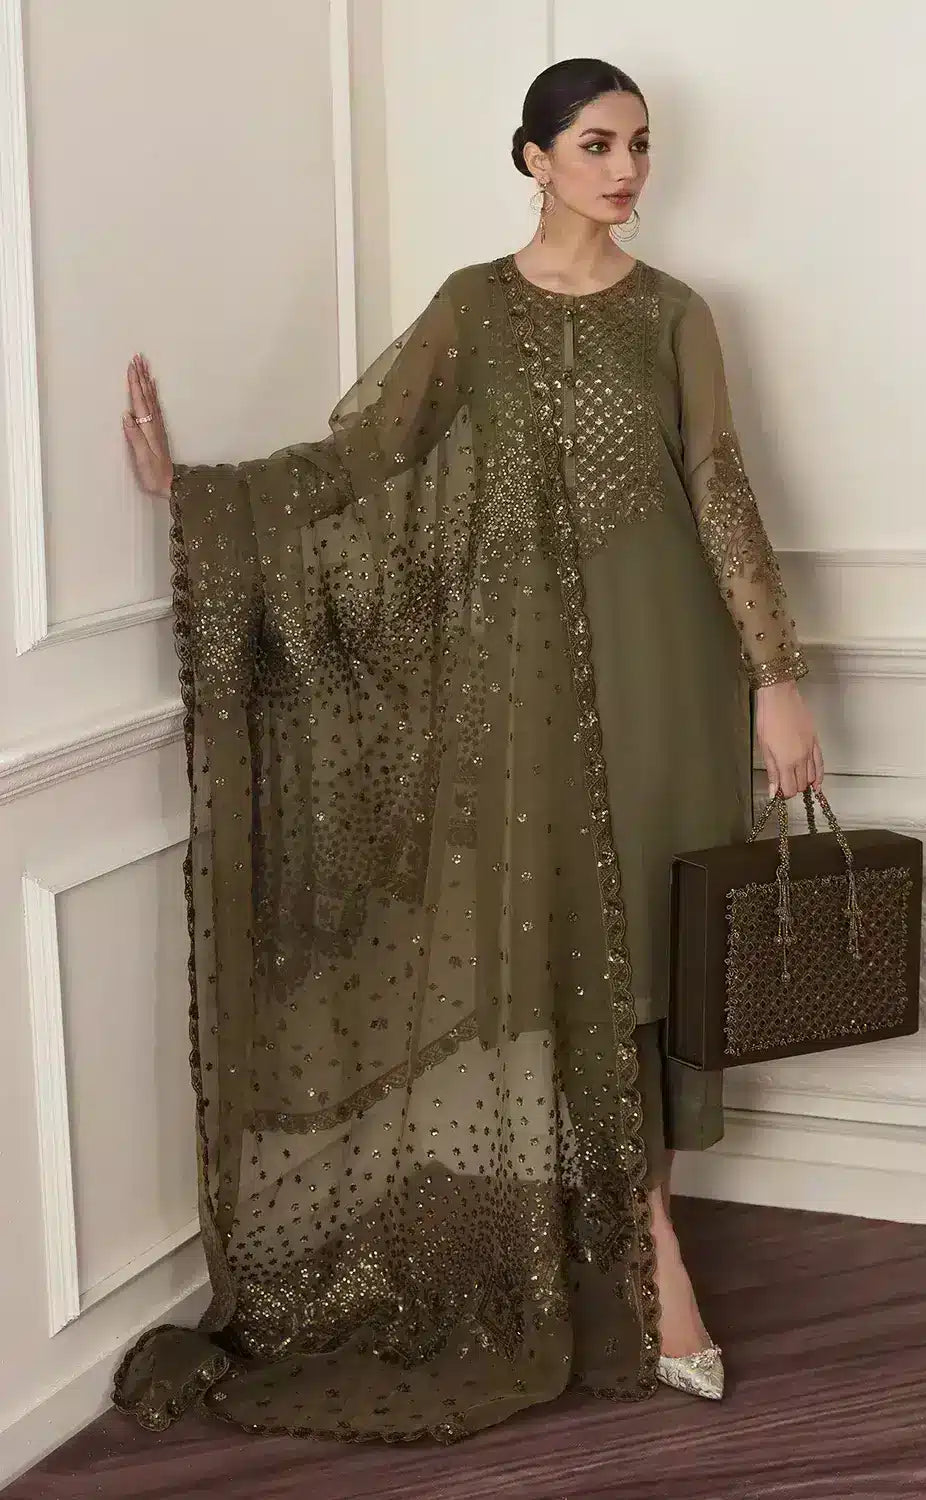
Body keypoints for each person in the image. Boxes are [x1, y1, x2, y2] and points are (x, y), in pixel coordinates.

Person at [116, 57, 823, 1440]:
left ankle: (651, 1245)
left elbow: (720, 486)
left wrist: (776, 681)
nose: (626, 170)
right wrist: (196, 497)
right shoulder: (471, 309)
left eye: (640, 145)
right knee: (570, 953)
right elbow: (364, 462)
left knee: (661, 961)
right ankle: (631, 1254)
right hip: (526, 688)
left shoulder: (677, 313)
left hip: (671, 666)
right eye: (597, 144)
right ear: (534, 158)